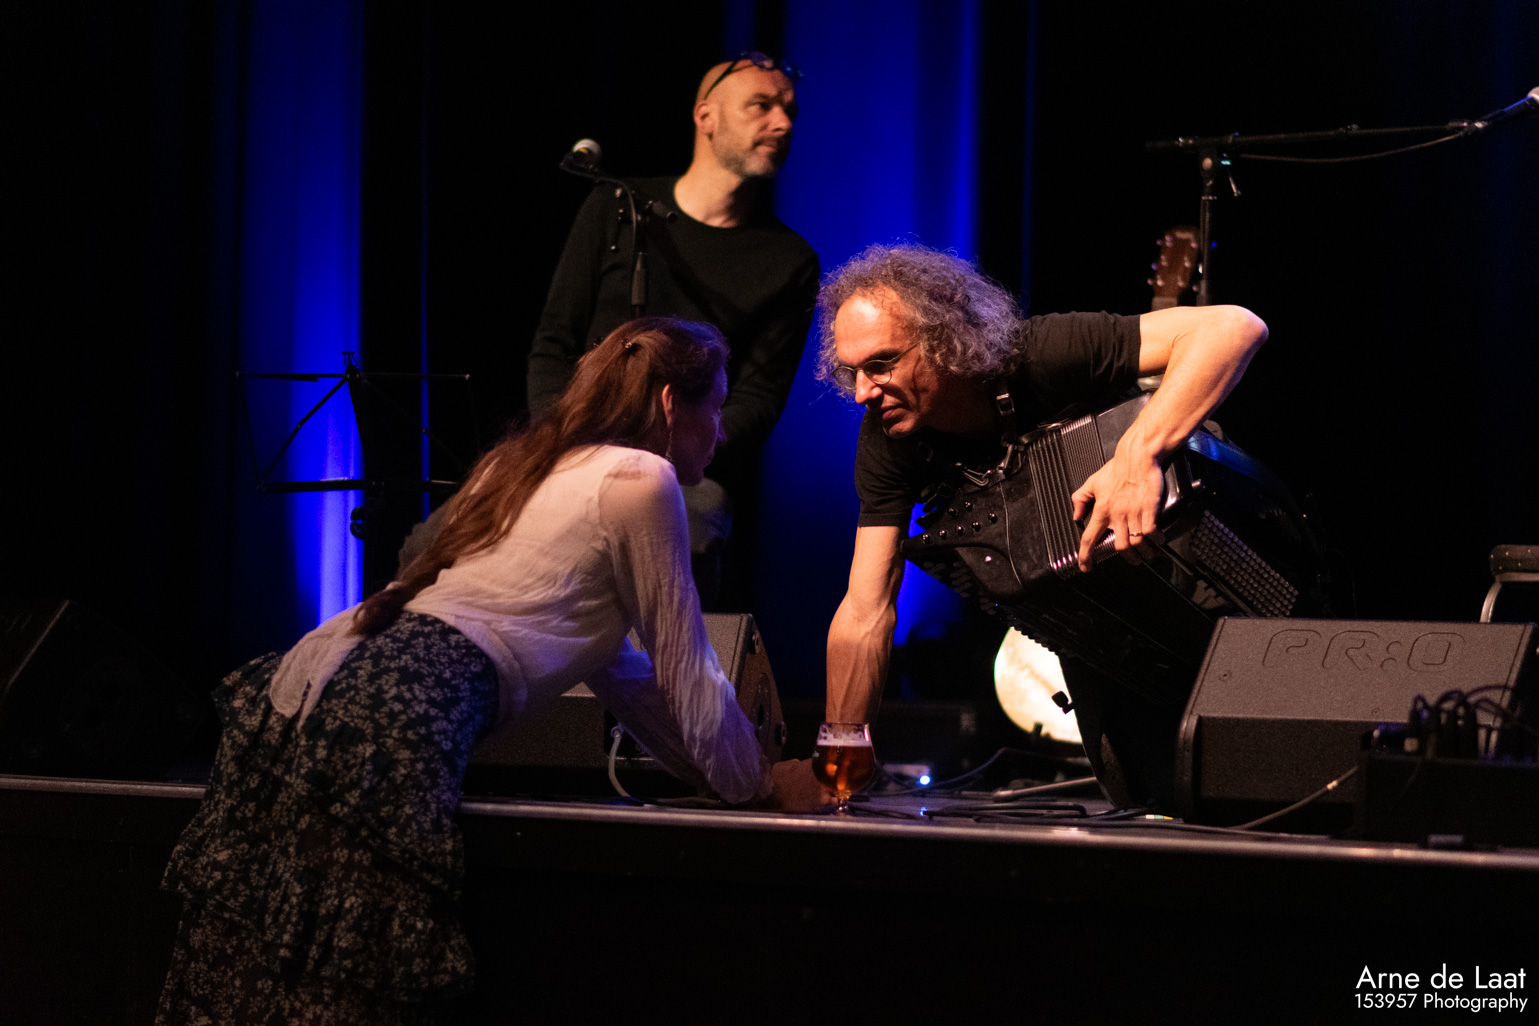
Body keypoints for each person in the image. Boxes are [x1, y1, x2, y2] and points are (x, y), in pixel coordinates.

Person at [157, 318, 825, 1025]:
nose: (720, 433)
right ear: (668, 403)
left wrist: (725, 778)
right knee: (345, 988)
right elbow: (689, 673)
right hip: (399, 705)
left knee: (259, 963)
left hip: (313, 679)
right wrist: (759, 785)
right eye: (714, 407)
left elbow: (631, 683)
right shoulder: (641, 478)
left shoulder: (522, 464)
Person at [816, 244, 1268, 810]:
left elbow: (1233, 328)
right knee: (1147, 800)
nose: (863, 391)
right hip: (1106, 633)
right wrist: (837, 756)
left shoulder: (1040, 353)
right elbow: (865, 611)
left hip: (1216, 582)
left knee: (1265, 770)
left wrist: (1136, 457)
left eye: (882, 364)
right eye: (852, 372)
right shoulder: (888, 441)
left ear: (943, 335)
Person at [523, 51, 819, 608]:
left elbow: (756, 402)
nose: (782, 123)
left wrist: (662, 455)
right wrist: (564, 443)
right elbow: (553, 344)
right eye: (761, 106)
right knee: (448, 532)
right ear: (706, 116)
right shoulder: (618, 206)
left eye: (789, 111)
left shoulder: (789, 261)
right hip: (572, 448)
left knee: (693, 521)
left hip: (681, 471)